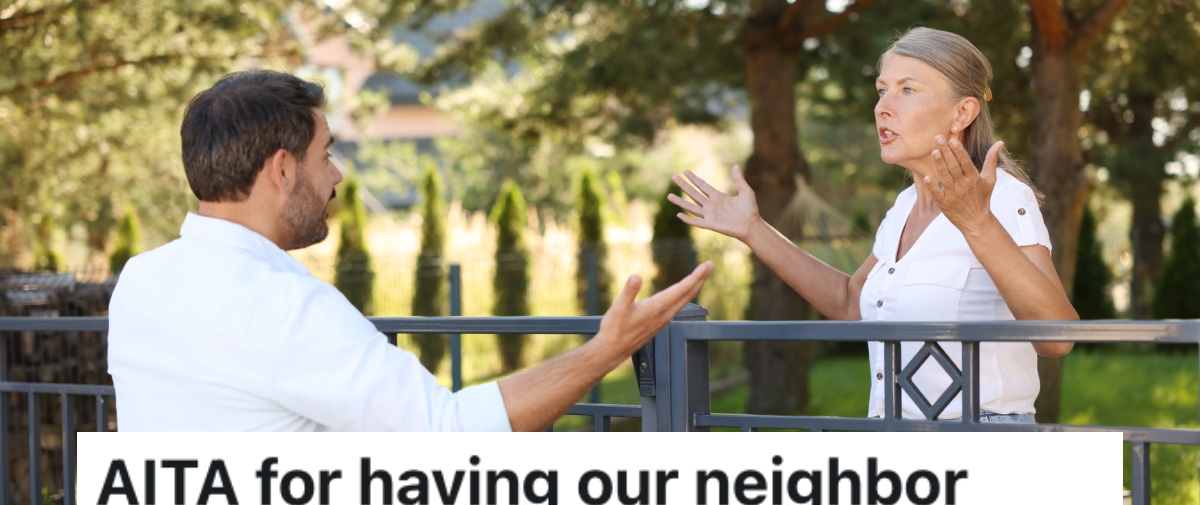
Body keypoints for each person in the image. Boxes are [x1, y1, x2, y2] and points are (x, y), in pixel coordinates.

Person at [108, 70, 711, 432]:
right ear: (283, 170)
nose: (336, 175)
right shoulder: (283, 306)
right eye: (325, 155)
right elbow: (449, 434)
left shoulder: (140, 281)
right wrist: (606, 350)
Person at [667, 27, 1077, 422]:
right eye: (882, 90)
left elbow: (1057, 338)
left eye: (907, 90)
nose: (883, 107)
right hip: (894, 438)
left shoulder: (1002, 198)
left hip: (978, 439)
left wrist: (977, 222)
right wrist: (754, 229)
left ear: (962, 112)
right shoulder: (903, 208)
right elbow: (850, 303)